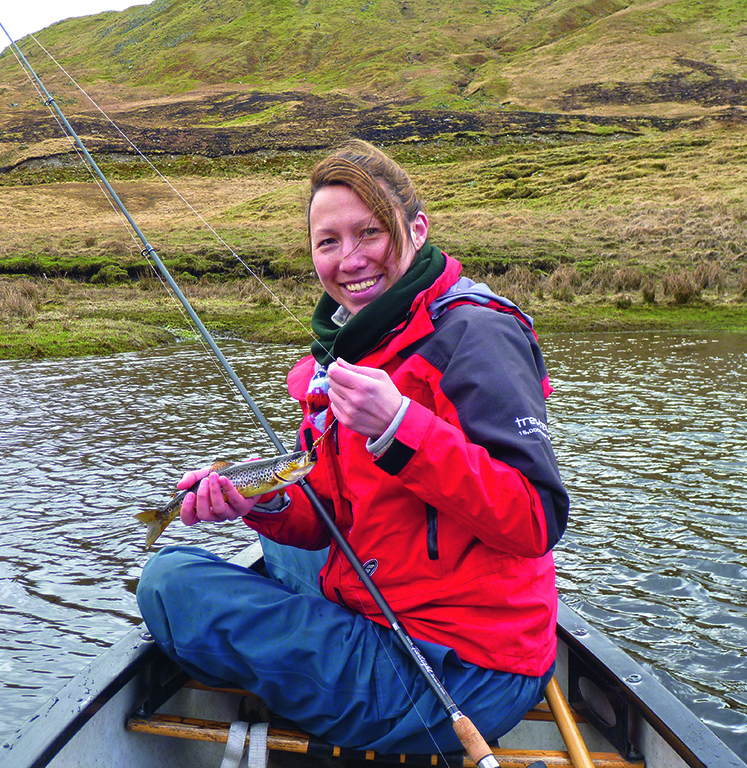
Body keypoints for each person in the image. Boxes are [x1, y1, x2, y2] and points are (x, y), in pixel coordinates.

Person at [137, 139, 569, 757]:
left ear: (416, 229)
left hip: (462, 673)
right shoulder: (356, 346)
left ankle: (307, 667)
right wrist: (252, 503)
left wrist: (399, 427)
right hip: (390, 604)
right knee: (268, 541)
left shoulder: (477, 335)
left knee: (168, 580)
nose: (350, 259)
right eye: (328, 242)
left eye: (369, 233)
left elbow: (535, 519)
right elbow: (327, 518)